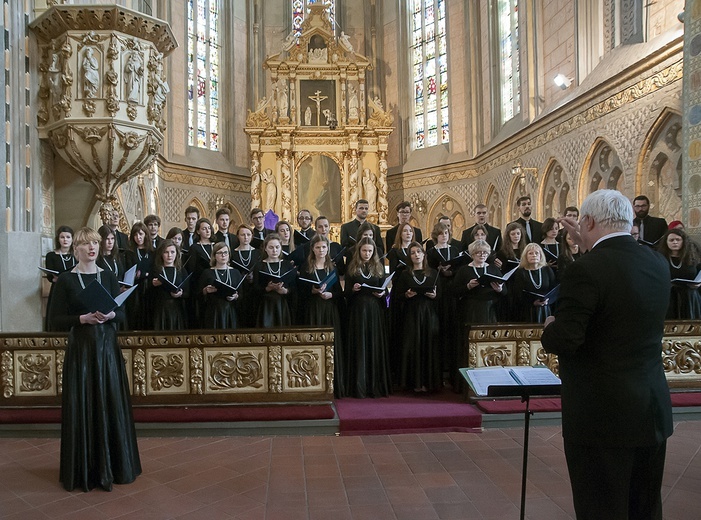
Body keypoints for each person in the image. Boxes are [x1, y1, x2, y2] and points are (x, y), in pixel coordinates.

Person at [541, 189, 672, 520]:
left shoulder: (585, 269)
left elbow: (566, 339)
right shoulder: (656, 261)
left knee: (602, 508)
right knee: (644, 507)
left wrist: (551, 325)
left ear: (587, 221)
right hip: (650, 408)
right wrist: (585, 241)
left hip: (602, 416)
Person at [47, 227, 141, 492]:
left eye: (96, 244)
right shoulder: (66, 280)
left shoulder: (109, 276)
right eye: (86, 244)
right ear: (75, 249)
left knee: (109, 400)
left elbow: (121, 313)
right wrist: (82, 319)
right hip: (82, 349)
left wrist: (112, 316)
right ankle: (84, 470)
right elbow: (54, 320)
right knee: (84, 402)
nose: (92, 248)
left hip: (107, 347)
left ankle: (114, 466)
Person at [298, 234, 345, 397]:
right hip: (313, 309)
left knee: (330, 346)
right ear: (313, 249)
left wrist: (331, 295)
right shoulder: (306, 267)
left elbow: (339, 293)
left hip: (329, 309)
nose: (321, 250)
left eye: (324, 247)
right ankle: (314, 385)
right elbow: (300, 292)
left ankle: (333, 385)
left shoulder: (332, 267)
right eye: (318, 247)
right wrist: (311, 291)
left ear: (328, 248)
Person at [344, 237, 391, 398]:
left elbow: (385, 289)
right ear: (359, 251)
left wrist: (383, 292)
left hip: (374, 311)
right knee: (360, 345)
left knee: (373, 344)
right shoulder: (352, 268)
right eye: (364, 250)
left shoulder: (378, 268)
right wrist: (354, 289)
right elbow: (345, 294)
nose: (367, 253)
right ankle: (359, 386)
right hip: (357, 311)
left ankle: (374, 385)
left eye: (370, 251)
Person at [394, 242, 440, 392]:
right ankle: (413, 383)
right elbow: (396, 297)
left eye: (419, 252)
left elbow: (442, 296)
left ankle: (428, 383)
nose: (416, 255)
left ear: (424, 254)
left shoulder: (433, 273)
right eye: (413, 253)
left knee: (429, 345)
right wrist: (406, 295)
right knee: (412, 346)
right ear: (410, 257)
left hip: (428, 313)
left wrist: (435, 296)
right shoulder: (405, 274)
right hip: (411, 314)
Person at [452, 240, 505, 325]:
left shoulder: (494, 269)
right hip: (471, 308)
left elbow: (505, 291)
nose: (482, 255)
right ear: (472, 254)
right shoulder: (464, 270)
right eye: (478, 252)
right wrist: (468, 286)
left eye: (485, 252)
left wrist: (499, 289)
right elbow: (455, 292)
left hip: (490, 308)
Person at [657, 228, 701, 319]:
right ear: (666, 242)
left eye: (678, 240)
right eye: (671, 240)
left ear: (683, 241)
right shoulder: (660, 258)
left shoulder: (691, 257)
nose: (675, 242)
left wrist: (698, 283)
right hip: (669, 296)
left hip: (689, 296)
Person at [254, 233, 296, 327]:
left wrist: (285, 291)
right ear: (265, 248)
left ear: (281, 248)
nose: (274, 250)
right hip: (266, 306)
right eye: (271, 247)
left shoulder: (287, 265)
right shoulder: (259, 266)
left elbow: (294, 287)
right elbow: (255, 288)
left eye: (277, 247)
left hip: (283, 304)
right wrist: (267, 288)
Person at [199, 242, 242, 329]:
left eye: (226, 252)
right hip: (213, 311)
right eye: (220, 253)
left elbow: (241, 293)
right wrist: (206, 290)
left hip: (230, 311)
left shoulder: (235, 272)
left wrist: (236, 296)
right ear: (214, 255)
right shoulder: (207, 273)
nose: (223, 255)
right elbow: (198, 294)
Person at [511, 243, 556, 323]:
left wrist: (548, 300)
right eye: (530, 253)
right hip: (528, 310)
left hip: (546, 309)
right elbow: (517, 293)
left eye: (536, 253)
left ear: (540, 256)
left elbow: (554, 289)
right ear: (526, 256)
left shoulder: (547, 270)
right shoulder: (521, 272)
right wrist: (533, 302)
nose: (534, 255)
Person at [149, 239, 189, 330]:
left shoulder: (181, 270)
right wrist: (153, 285)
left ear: (177, 254)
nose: (169, 255)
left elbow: (188, 292)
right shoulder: (156, 270)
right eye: (166, 252)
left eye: (172, 252)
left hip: (177, 309)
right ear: (161, 254)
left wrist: (181, 294)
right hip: (160, 309)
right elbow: (148, 293)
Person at [45, 226, 77, 331]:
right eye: (62, 237)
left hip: (73, 289)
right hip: (57, 289)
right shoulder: (51, 255)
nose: (65, 240)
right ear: (58, 239)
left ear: (72, 239)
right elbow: (50, 276)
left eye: (68, 237)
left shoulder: (76, 256)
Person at [231, 224, 261, 328]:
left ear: (252, 236)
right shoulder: (232, 253)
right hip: (239, 290)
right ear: (238, 236)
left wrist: (254, 275)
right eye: (243, 234)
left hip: (254, 290)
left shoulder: (258, 253)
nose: (246, 237)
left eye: (248, 234)